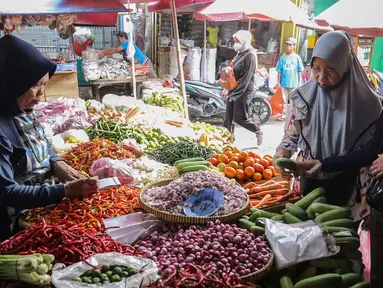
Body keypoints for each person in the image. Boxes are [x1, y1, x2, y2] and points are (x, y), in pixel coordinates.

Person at [0, 35, 99, 241]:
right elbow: (6, 192)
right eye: (36, 85)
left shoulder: (23, 109)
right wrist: (64, 191)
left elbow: (40, 145)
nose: (41, 94)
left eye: (45, 84)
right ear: (13, 81)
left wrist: (57, 163)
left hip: (41, 212)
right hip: (12, 227)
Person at [273, 31, 382, 206]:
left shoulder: (368, 104)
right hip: (307, 179)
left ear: (345, 66)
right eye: (316, 68)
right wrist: (281, 153)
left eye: (330, 69)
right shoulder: (303, 98)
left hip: (349, 187)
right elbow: (292, 135)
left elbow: (372, 151)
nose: (321, 77)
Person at [224, 30, 263, 146]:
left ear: (244, 41)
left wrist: (235, 95)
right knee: (228, 116)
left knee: (240, 117)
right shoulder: (240, 52)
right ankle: (228, 139)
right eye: (234, 41)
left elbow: (247, 78)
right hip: (234, 86)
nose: (235, 43)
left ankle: (257, 130)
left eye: (237, 41)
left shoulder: (250, 55)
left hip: (244, 90)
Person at [276, 38, 304, 121]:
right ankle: (284, 115)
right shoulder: (283, 57)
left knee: (293, 101)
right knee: (284, 101)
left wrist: (299, 82)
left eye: (290, 45)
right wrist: (278, 82)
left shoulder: (297, 58)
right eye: (287, 45)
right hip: (284, 83)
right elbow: (279, 71)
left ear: (294, 46)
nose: (288, 47)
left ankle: (293, 116)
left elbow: (299, 70)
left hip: (293, 83)